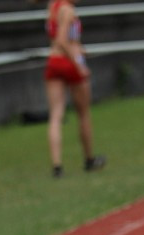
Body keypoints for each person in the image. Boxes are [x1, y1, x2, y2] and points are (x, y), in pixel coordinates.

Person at [44, 0, 105, 178]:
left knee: (56, 115)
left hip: (53, 61)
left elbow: (58, 38)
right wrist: (78, 64)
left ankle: (57, 166)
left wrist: (80, 49)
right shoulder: (68, 9)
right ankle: (89, 159)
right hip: (69, 62)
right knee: (83, 113)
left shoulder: (52, 7)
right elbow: (63, 40)